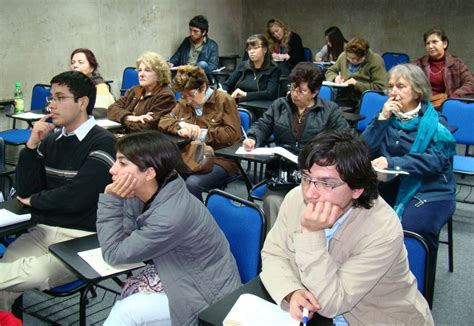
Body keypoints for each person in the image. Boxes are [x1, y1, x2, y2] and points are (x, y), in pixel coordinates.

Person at [260, 129, 434, 325]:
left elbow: (331, 303)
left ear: (357, 189)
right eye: (307, 178)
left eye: (326, 183)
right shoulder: (295, 199)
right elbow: (274, 253)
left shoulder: (383, 229)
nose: (310, 193)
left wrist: (311, 233)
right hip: (317, 317)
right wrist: (291, 291)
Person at [97, 131, 241, 325]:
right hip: (179, 272)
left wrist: (112, 200)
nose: (112, 170)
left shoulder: (170, 216)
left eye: (122, 163)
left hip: (205, 294)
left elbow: (114, 254)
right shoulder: (156, 188)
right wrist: (125, 199)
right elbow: (127, 232)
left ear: (149, 173)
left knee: (126, 312)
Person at [0, 71, 116, 311]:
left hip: (83, 237)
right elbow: (25, 189)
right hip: (43, 230)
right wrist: (31, 147)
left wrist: (33, 200)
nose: (51, 104)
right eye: (50, 97)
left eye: (59, 97)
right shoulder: (51, 139)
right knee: (7, 280)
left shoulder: (104, 142)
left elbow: (78, 198)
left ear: (82, 102)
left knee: (30, 273)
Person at [362, 64, 456, 266]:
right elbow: (363, 151)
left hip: (429, 190)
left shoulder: (436, 123)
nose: (393, 92)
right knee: (354, 215)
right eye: (390, 86)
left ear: (417, 91)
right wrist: (382, 119)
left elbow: (437, 161)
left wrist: (392, 163)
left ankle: (418, 284)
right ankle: (373, 276)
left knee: (413, 228)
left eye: (400, 86)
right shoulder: (386, 117)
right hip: (389, 185)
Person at [243, 62, 349, 228]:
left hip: (314, 175)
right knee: (272, 201)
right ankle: (278, 246)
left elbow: (347, 139)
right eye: (293, 88)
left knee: (309, 207)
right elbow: (263, 125)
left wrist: (326, 155)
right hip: (282, 174)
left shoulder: (329, 111)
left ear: (315, 92)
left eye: (301, 91)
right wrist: (253, 137)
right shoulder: (280, 105)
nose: (294, 94)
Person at [159, 65, 241, 201]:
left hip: (220, 158)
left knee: (193, 184)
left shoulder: (224, 100)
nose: (188, 101)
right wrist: (182, 125)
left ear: (203, 87)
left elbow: (232, 134)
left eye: (191, 95)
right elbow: (164, 120)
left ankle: (197, 218)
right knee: (161, 173)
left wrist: (201, 133)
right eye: (184, 96)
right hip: (190, 154)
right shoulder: (185, 101)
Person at [107, 52, 176, 133]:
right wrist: (131, 117)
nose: (141, 74)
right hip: (126, 136)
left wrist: (120, 118)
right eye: (139, 70)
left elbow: (146, 127)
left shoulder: (165, 96)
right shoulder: (135, 90)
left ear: (159, 75)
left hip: (144, 141)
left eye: (147, 70)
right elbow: (111, 110)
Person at [413, 28, 474, 109]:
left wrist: (453, 98)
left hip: (450, 105)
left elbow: (470, 83)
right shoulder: (418, 64)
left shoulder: (457, 63)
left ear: (444, 44)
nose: (430, 46)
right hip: (423, 106)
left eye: (434, 42)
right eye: (427, 43)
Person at [325, 38, 386, 110]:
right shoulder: (344, 56)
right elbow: (330, 71)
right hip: (344, 98)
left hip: (363, 101)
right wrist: (335, 78)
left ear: (364, 56)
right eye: (349, 58)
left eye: (354, 58)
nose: (350, 60)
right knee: (327, 109)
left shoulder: (375, 61)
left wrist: (356, 84)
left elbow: (381, 87)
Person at [221, 34, 281, 102]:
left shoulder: (273, 70)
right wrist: (223, 90)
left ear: (264, 50)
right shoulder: (243, 66)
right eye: (249, 49)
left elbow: (270, 93)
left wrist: (246, 94)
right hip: (239, 104)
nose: (251, 52)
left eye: (255, 48)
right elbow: (227, 84)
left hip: (259, 107)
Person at [70, 48, 115, 113]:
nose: (75, 65)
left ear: (91, 68)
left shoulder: (100, 86)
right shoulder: (69, 85)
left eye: (80, 62)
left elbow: (101, 111)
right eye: (72, 63)